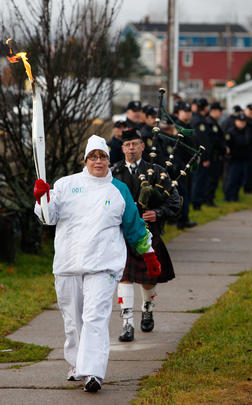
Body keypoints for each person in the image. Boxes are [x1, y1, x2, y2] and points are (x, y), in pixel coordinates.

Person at [33, 135, 161, 393]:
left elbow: (134, 226)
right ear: (86, 160)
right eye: (93, 156)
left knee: (94, 317)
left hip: (104, 264)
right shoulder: (66, 184)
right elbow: (48, 217)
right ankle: (78, 364)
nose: (98, 161)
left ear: (108, 160)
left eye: (102, 156)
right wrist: (41, 199)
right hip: (68, 263)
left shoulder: (118, 190)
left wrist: (149, 254)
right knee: (73, 319)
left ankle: (93, 372)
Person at [112, 128, 180, 342]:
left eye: (135, 144)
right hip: (121, 235)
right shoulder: (113, 174)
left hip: (149, 233)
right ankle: (127, 323)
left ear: (142, 146)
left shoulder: (158, 171)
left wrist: (157, 213)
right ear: (122, 148)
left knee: (148, 279)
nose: (131, 148)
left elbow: (175, 202)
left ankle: (148, 307)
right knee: (124, 277)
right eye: (127, 145)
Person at [190, 98, 212, 210]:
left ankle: (197, 201)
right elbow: (203, 141)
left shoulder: (195, 118)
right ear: (205, 107)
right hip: (201, 156)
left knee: (198, 179)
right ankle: (196, 203)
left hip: (197, 155)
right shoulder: (199, 121)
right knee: (199, 179)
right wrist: (205, 157)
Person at [224, 113, 250, 201]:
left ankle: (235, 196)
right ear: (236, 121)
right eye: (240, 121)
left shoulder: (246, 131)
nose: (242, 123)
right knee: (232, 179)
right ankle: (228, 197)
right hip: (234, 160)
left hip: (243, 159)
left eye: (243, 122)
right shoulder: (231, 132)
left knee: (240, 179)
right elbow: (227, 146)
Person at [206, 102, 227, 206]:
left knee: (214, 179)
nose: (221, 114)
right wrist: (223, 148)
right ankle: (208, 200)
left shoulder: (214, 122)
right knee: (211, 179)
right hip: (213, 156)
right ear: (213, 111)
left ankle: (210, 199)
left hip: (217, 156)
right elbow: (214, 140)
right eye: (220, 111)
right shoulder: (210, 123)